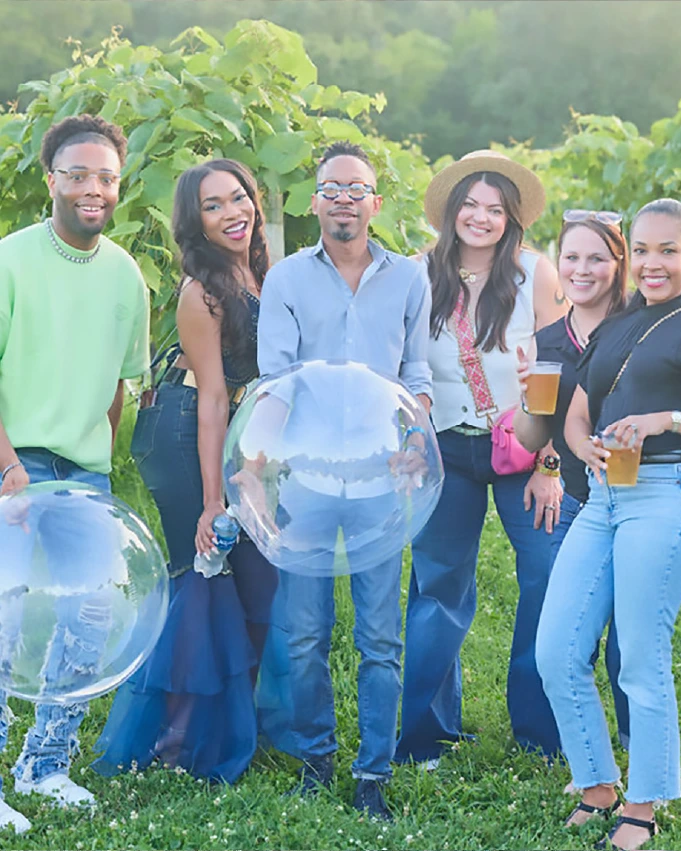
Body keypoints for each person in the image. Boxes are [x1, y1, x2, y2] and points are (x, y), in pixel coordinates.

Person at [536, 199, 681, 851]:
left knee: (640, 654)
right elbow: (579, 410)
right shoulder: (617, 325)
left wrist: (667, 419)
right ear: (631, 257)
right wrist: (582, 447)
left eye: (669, 249)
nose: (655, 262)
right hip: (606, 497)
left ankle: (643, 802)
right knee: (555, 649)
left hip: (669, 493)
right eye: (644, 250)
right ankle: (597, 784)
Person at [254, 140, 432, 822]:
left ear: (375, 204)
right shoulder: (288, 280)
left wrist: (418, 430)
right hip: (307, 481)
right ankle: (315, 758)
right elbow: (276, 379)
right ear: (314, 201)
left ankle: (372, 773)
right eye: (332, 188)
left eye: (357, 189)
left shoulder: (409, 278)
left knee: (380, 637)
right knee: (303, 633)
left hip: (382, 482)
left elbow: (416, 374)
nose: (344, 200)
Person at [91, 159, 277, 784]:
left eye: (239, 197)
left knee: (253, 580)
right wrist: (211, 500)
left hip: (239, 434)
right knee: (203, 575)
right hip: (186, 429)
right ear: (194, 222)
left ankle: (229, 721)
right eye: (213, 206)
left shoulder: (263, 269)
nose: (233, 213)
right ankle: (174, 741)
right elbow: (212, 398)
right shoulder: (202, 289)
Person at [0, 114, 149, 832]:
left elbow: (122, 384)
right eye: (79, 173)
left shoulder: (126, 275)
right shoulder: (9, 260)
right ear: (51, 179)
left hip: (84, 467)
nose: (94, 188)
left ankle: (45, 763)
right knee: (4, 616)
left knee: (91, 613)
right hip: (13, 459)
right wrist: (8, 470)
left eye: (107, 177)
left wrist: (95, 456)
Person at [396, 150, 567, 767]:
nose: (481, 217)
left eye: (495, 209)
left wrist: (551, 465)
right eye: (470, 205)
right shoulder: (417, 275)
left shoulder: (534, 273)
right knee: (439, 586)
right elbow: (403, 368)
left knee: (546, 577)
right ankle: (426, 733)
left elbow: (555, 369)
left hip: (524, 447)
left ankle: (540, 728)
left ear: (511, 219)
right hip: (445, 447)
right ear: (451, 212)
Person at [512, 210, 630, 752]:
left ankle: (632, 734)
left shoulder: (639, 330)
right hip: (579, 498)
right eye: (572, 258)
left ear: (618, 263)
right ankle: (545, 737)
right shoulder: (545, 342)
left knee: (627, 628)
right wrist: (527, 398)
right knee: (558, 616)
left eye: (596, 258)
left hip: (632, 495)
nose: (582, 270)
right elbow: (534, 437)